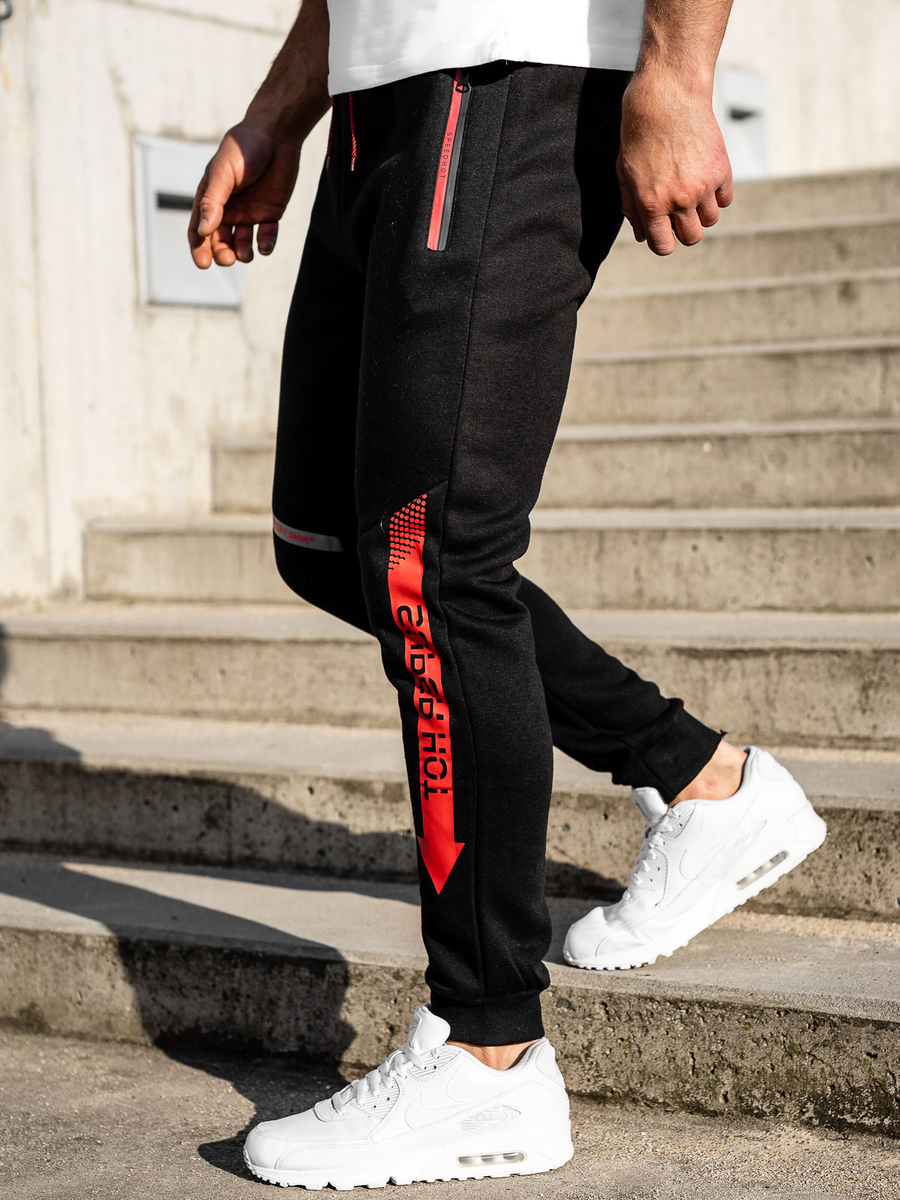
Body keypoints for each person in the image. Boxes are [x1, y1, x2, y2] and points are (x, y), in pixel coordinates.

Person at [189, 0, 827, 1187]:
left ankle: (488, 1050)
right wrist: (279, 113)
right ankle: (702, 777)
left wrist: (678, 72)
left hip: (505, 75)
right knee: (327, 544)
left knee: (430, 557)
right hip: (378, 98)